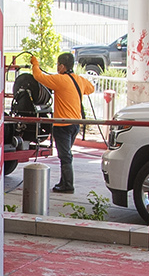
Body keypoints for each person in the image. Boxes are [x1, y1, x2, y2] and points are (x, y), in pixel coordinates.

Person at [25, 49, 96, 193]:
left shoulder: (59, 80)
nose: (57, 67)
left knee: (65, 156)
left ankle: (67, 185)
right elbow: (91, 89)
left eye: (58, 65)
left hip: (62, 125)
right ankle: (64, 182)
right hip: (75, 125)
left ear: (62, 66)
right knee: (66, 155)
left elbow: (38, 76)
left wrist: (35, 63)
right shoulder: (79, 80)